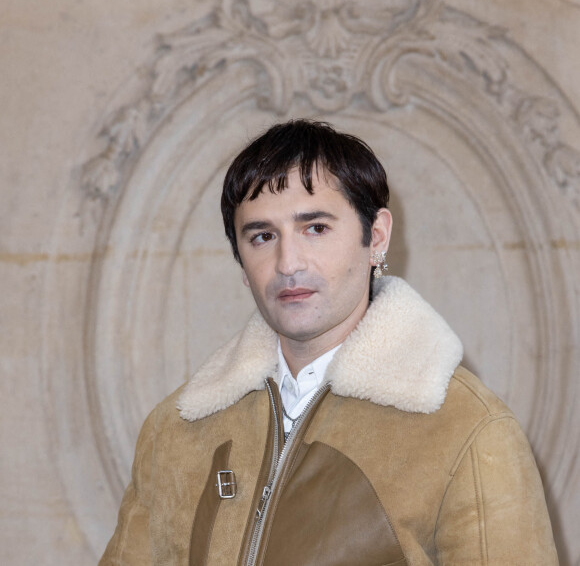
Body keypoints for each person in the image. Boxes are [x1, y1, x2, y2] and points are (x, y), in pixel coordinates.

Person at [100, 120, 558, 565]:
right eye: (262, 236)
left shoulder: (467, 429)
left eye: (315, 228)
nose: (287, 263)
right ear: (242, 263)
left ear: (375, 236)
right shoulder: (173, 432)